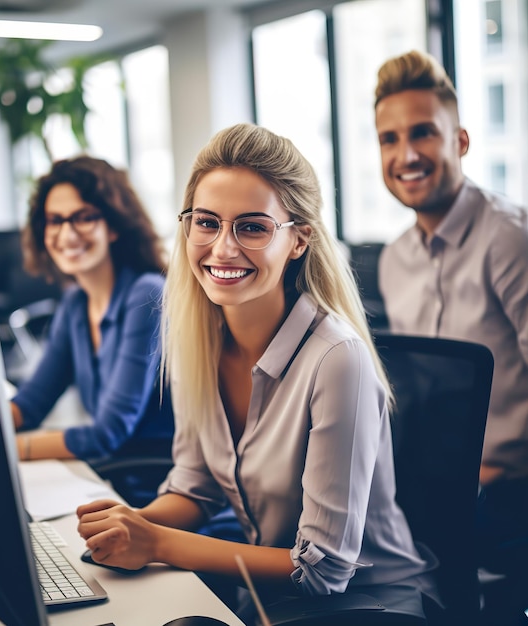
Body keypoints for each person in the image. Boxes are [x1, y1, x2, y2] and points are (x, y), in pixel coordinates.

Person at [76, 123, 438, 621]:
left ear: (297, 241)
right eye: (206, 223)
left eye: (251, 227)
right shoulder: (196, 340)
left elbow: (325, 570)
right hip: (271, 599)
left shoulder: (337, 360)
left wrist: (157, 542)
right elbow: (194, 487)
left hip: (371, 607)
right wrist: (128, 524)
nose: (222, 248)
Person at [375, 49, 528, 618]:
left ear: (460, 141)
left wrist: (493, 467)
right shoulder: (394, 259)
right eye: (389, 140)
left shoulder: (508, 240)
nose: (406, 154)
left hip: (509, 495)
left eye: (423, 134)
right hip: (435, 490)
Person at [11, 156, 174, 502]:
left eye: (84, 217)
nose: (67, 234)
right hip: (108, 483)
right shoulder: (75, 304)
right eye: (55, 220)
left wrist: (9, 447)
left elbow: (109, 432)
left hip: (158, 495)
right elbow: (31, 403)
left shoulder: (147, 294)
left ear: (113, 226)